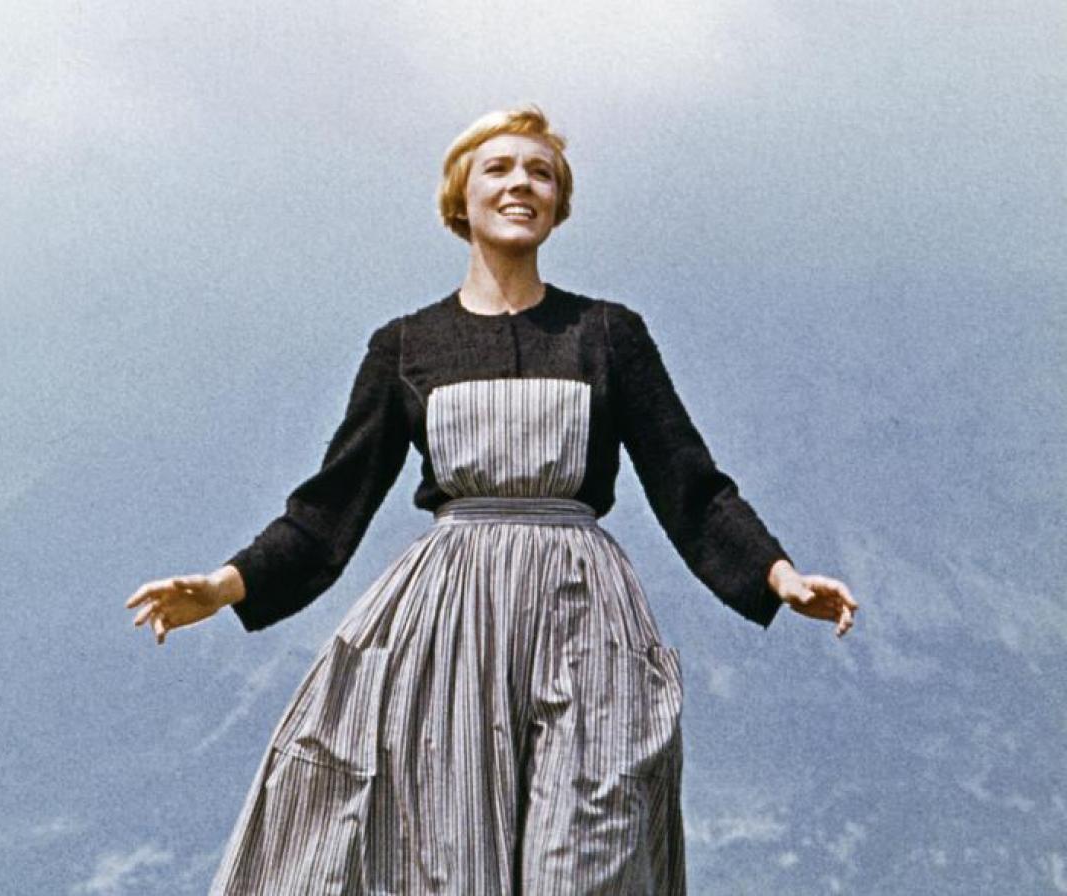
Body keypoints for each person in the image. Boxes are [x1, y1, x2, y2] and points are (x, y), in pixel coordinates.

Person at [125, 105, 859, 895]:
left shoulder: (609, 334)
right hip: (449, 630)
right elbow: (327, 511)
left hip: (585, 617)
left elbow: (691, 486)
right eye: (499, 169)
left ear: (558, 203)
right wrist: (225, 586)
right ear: (460, 198)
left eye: (541, 173)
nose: (521, 184)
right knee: (447, 863)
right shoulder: (406, 345)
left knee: (590, 855)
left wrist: (779, 576)